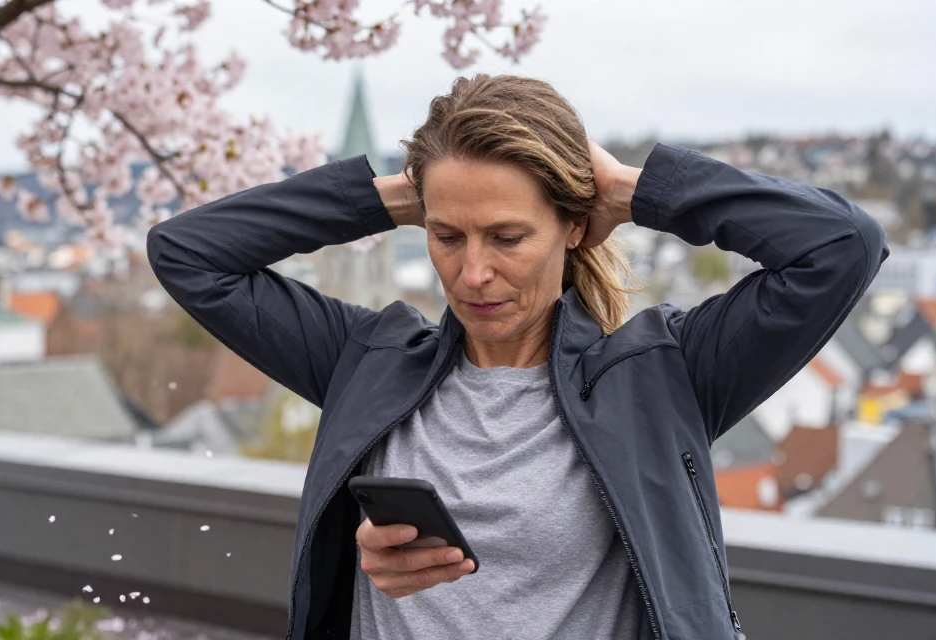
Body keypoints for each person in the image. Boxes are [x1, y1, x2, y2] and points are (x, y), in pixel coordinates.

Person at [147, 74, 888, 640]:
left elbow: (841, 247)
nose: (473, 273)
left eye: (506, 237)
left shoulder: (661, 378)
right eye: (446, 236)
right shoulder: (365, 361)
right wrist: (393, 196)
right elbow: (186, 253)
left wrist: (632, 188)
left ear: (573, 226)